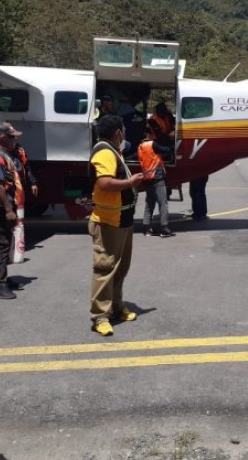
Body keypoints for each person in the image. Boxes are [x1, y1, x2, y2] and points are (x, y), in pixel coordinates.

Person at [89, 115, 144, 336]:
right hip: (108, 222)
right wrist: (130, 182)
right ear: (118, 132)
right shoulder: (104, 151)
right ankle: (99, 316)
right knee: (105, 268)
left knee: (120, 268)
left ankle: (115, 306)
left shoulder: (115, 151)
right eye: (123, 130)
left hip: (122, 221)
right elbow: (104, 182)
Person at [0, 122, 25, 300]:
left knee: (6, 243)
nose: (14, 139)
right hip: (3, 208)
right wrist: (9, 209)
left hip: (9, 206)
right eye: (11, 136)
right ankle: (0, 285)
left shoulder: (4, 155)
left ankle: (4, 279)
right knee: (2, 245)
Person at [138, 130, 174, 237]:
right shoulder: (152, 144)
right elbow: (167, 150)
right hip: (157, 178)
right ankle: (164, 228)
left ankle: (147, 228)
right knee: (163, 203)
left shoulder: (140, 147)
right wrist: (172, 141)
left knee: (149, 203)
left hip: (147, 178)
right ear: (148, 135)